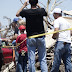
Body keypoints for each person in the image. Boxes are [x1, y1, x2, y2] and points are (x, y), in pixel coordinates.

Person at [16, 0, 48, 72]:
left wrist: (24, 5)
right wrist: (38, 5)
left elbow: (17, 14)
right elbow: (46, 13)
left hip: (31, 38)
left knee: (31, 59)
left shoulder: (27, 12)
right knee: (43, 59)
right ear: (36, 3)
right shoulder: (41, 10)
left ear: (30, 3)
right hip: (40, 37)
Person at [51, 8, 72, 72]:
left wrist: (53, 36)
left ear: (56, 14)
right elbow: (71, 32)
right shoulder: (67, 22)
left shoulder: (57, 21)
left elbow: (56, 30)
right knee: (67, 61)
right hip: (68, 42)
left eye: (53, 14)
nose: (53, 16)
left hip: (61, 42)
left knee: (57, 60)